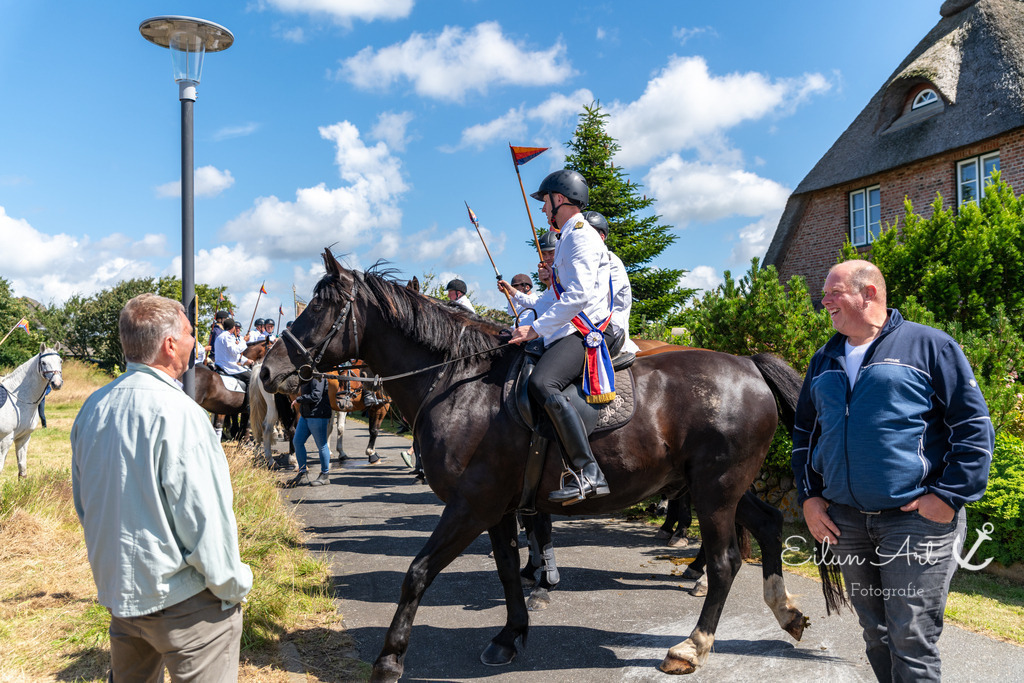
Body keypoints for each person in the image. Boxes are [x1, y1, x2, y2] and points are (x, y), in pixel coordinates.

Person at [791, 259, 993, 682]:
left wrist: (948, 496)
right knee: (876, 634)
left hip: (915, 522)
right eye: (825, 293)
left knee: (911, 638)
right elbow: (805, 434)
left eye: (834, 291)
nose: (824, 300)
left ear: (869, 293)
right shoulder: (823, 359)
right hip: (846, 521)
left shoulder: (929, 346)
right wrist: (809, 498)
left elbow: (972, 427)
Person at [71, 293, 252, 682]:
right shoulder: (182, 413)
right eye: (189, 333)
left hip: (122, 598)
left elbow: (85, 505)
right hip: (186, 606)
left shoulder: (93, 406)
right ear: (170, 344)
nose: (195, 342)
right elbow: (205, 519)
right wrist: (232, 587)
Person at [508, 169, 615, 505]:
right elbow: (551, 298)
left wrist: (536, 328)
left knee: (543, 384)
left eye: (545, 202)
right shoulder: (569, 235)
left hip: (588, 329)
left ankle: (589, 472)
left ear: (561, 199)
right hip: (570, 325)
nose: (542, 209)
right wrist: (523, 323)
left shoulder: (581, 235)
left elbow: (579, 295)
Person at [583, 210, 639, 355]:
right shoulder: (583, 264)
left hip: (605, 331)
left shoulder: (611, 263)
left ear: (602, 237)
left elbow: (594, 301)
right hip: (585, 326)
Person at [288, 374, 333, 487]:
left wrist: (299, 399)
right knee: (297, 442)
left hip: (318, 415)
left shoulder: (318, 376)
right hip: (305, 415)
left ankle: (324, 475)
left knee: (321, 445)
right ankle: (302, 473)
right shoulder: (306, 375)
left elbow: (316, 395)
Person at [214, 318, 254, 391]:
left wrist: (245, 360)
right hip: (227, 365)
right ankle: (249, 402)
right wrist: (244, 341)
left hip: (222, 363)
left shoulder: (221, 336)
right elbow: (235, 351)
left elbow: (231, 354)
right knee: (252, 378)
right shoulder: (227, 336)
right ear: (233, 327)